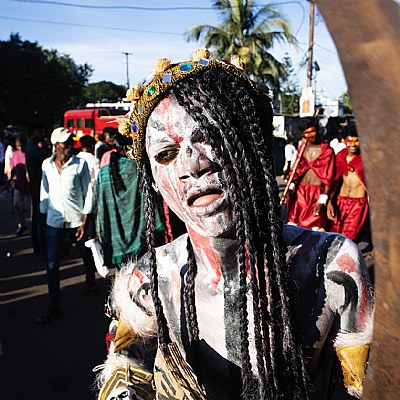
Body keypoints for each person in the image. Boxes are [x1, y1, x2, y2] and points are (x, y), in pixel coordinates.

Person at [95, 51, 374, 400]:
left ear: (251, 144)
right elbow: (125, 368)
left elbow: (366, 386)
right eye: (167, 153)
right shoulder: (148, 281)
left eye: (210, 135)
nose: (193, 165)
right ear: (152, 180)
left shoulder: (332, 265)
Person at [38, 127, 97, 324]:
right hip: (53, 221)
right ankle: (54, 303)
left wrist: (84, 219)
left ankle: (90, 280)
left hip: (76, 220)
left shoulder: (79, 164)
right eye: (66, 143)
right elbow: (44, 192)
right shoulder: (46, 165)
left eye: (72, 142)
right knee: (52, 263)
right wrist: (42, 214)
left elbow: (88, 192)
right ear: (56, 146)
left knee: (85, 254)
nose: (71, 145)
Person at [93, 133, 167, 269]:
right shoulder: (136, 168)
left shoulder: (103, 173)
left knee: (123, 277)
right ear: (127, 148)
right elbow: (150, 197)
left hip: (114, 236)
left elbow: (96, 203)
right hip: (139, 235)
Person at [327, 126, 374, 280]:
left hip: (358, 205)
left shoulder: (366, 159)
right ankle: (336, 269)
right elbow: (334, 181)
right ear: (343, 141)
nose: (353, 143)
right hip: (340, 203)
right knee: (337, 236)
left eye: (357, 140)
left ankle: (347, 272)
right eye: (350, 140)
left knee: (349, 237)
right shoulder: (339, 157)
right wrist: (330, 202)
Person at [286, 118, 335, 231]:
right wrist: (291, 187)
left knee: (315, 230)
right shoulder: (302, 149)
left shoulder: (327, 151)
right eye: (306, 133)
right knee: (294, 227)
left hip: (317, 194)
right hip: (301, 194)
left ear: (317, 131)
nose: (309, 135)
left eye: (312, 131)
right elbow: (296, 172)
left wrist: (322, 200)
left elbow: (329, 178)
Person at [25, 125, 48, 255]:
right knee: (40, 219)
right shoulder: (34, 150)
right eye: (38, 131)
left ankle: (38, 245)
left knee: (37, 219)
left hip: (35, 187)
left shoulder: (31, 148)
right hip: (38, 188)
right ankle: (41, 246)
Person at [10, 134, 29, 236]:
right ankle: (22, 224)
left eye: (21, 145)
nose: (20, 148)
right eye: (18, 146)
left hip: (29, 182)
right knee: (16, 204)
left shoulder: (28, 153)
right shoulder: (15, 154)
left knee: (33, 207)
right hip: (18, 182)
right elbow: (13, 167)